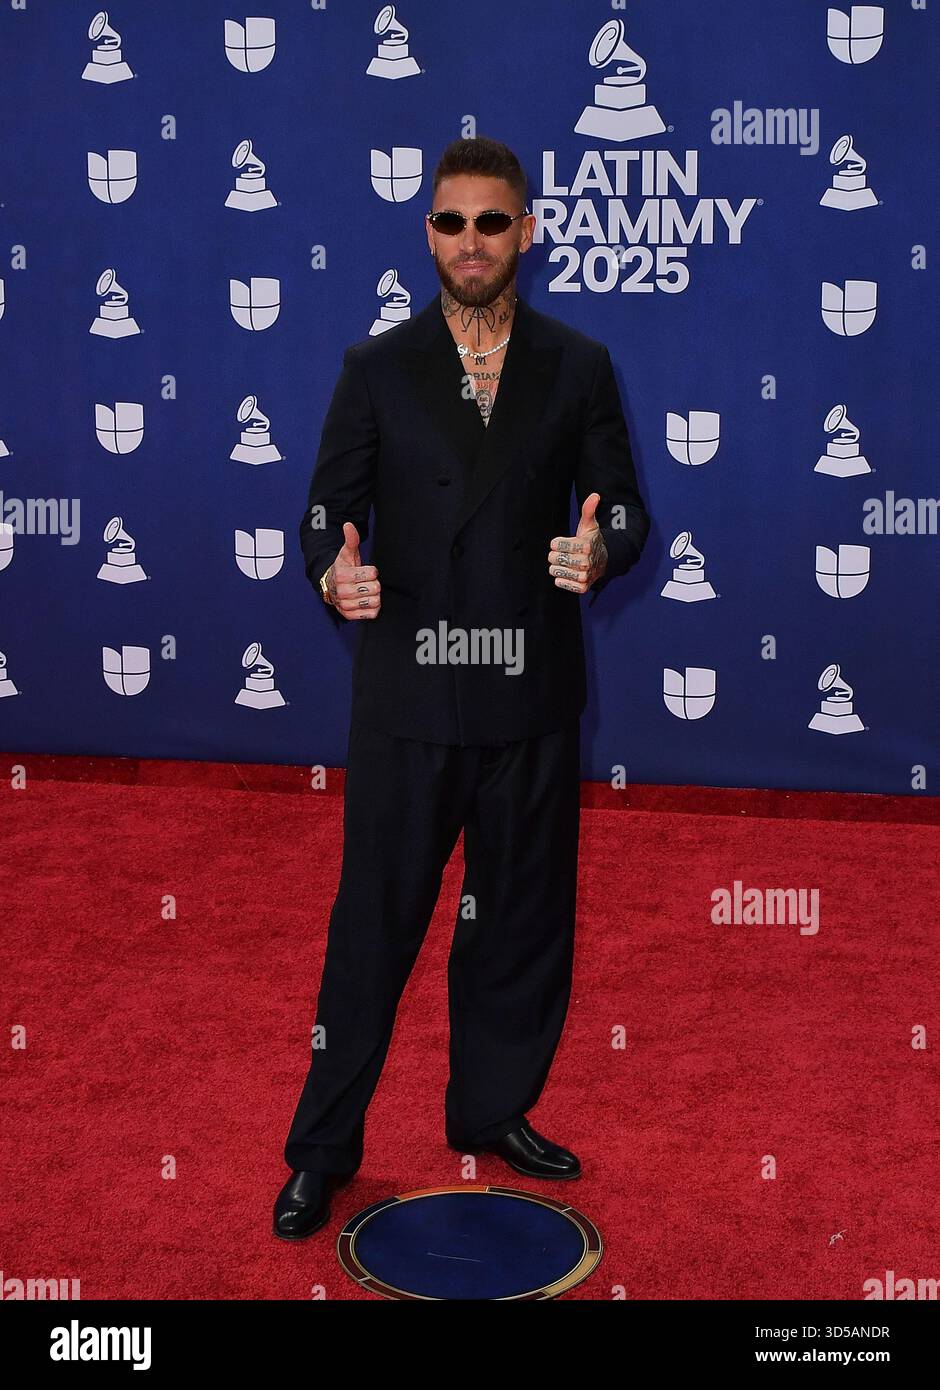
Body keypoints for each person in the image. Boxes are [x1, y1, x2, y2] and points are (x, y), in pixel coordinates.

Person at [274, 136, 650, 1239]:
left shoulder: (577, 365)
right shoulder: (375, 368)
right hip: (410, 700)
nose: (471, 241)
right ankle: (320, 1150)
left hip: (529, 695)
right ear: (426, 232)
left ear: (526, 231)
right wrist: (331, 572)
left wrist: (604, 551)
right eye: (451, 222)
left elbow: (622, 504)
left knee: (520, 924)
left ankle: (493, 1111)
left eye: (493, 221)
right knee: (372, 931)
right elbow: (320, 510)